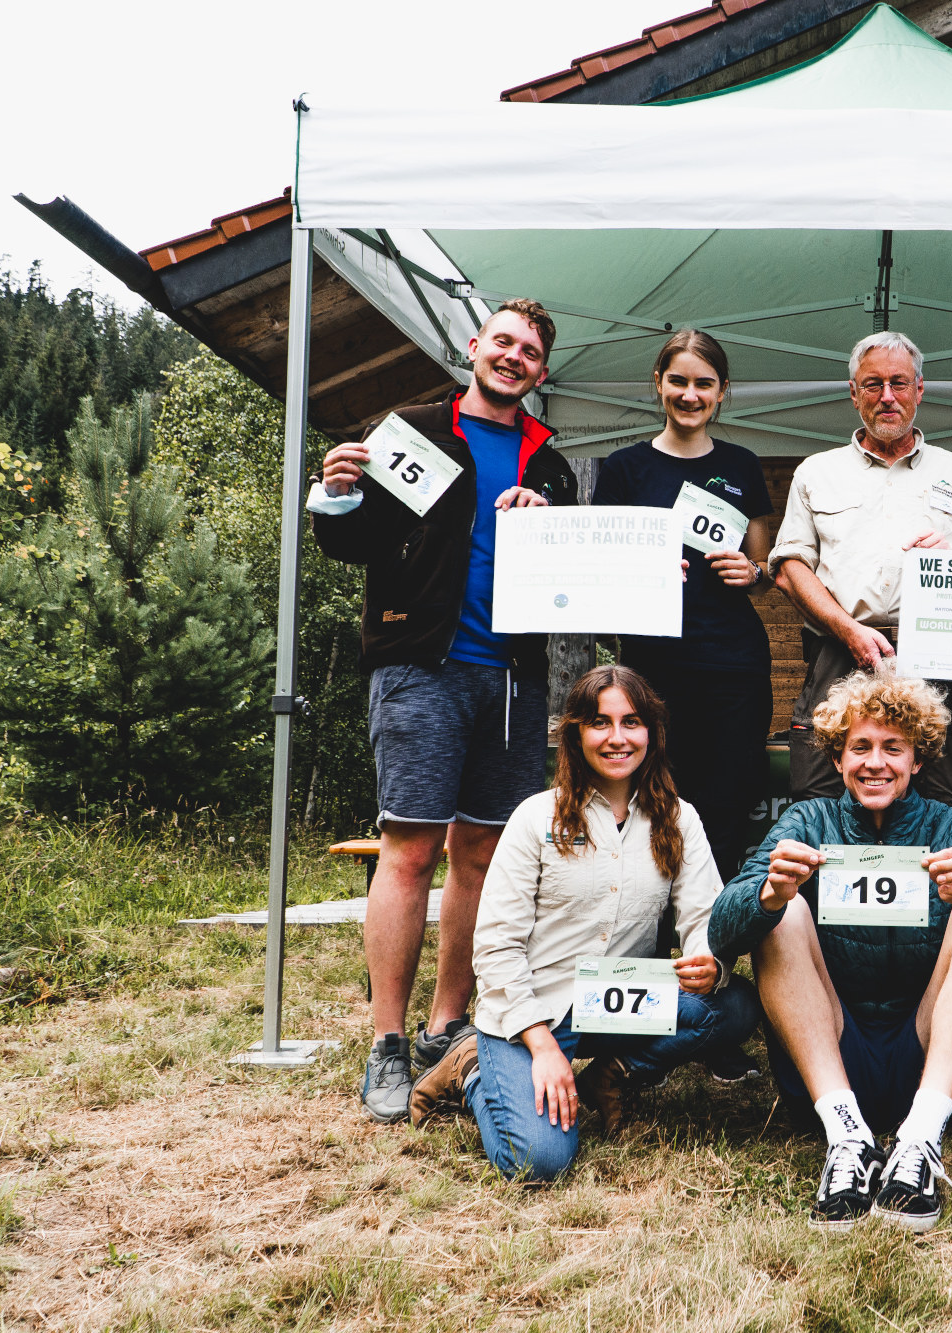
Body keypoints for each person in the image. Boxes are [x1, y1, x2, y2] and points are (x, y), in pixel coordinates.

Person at [308, 299, 578, 1123]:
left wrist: (554, 522)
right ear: (474, 347)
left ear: (539, 371)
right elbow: (347, 544)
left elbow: (572, 577)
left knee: (485, 857)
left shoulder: (553, 464)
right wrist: (337, 489)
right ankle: (387, 1040)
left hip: (512, 679)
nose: (514, 356)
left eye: (530, 350)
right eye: (503, 341)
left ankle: (445, 1024)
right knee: (411, 848)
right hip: (419, 667)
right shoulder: (410, 427)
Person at [710, 672, 952, 1233]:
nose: (876, 763)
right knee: (783, 911)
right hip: (832, 1059)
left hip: (929, 1064)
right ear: (839, 759)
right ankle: (846, 1140)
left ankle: (919, 1143)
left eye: (893, 748)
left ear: (918, 760)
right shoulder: (808, 821)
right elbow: (720, 934)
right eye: (861, 748)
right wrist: (767, 895)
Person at [407, 665, 762, 1182]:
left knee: (736, 1005)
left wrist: (708, 961)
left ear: (651, 732)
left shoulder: (679, 818)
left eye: (631, 722)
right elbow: (496, 946)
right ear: (575, 732)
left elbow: (703, 917)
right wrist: (541, 1044)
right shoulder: (535, 817)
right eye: (600, 723)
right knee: (539, 1162)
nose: (617, 738)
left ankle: (612, 1078)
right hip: (536, 1010)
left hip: (620, 1003)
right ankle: (477, 1071)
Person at [770, 331, 952, 807]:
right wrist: (847, 629)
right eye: (872, 385)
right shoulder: (816, 472)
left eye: (899, 383)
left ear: (919, 389)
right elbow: (790, 566)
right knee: (819, 799)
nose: (887, 397)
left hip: (939, 660)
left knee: (944, 804)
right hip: (838, 652)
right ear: (854, 394)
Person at [591, 331, 774, 883]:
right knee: (648, 804)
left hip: (732, 669)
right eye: (679, 381)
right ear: (658, 383)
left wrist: (753, 573)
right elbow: (601, 568)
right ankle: (645, 950)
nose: (690, 394)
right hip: (651, 668)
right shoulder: (624, 468)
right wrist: (636, 573)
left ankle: (710, 953)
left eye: (703, 384)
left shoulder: (742, 465)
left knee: (724, 806)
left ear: (722, 392)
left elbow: (763, 573)